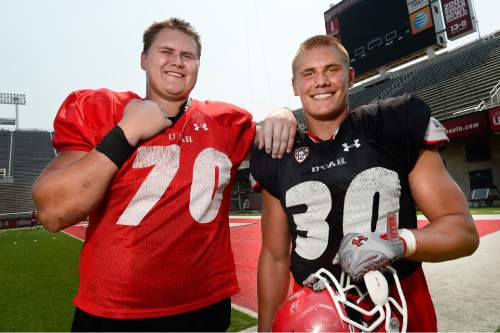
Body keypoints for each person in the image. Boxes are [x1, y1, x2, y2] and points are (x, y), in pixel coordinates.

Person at [32, 18, 297, 332]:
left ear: (198, 65)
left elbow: (275, 140)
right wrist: (125, 132)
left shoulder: (226, 121)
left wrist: (282, 112)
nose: (177, 62)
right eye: (166, 51)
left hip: (205, 310)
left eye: (188, 56)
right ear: (143, 59)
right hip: (114, 314)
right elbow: (52, 212)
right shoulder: (102, 109)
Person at [250, 35, 480, 332]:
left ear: (350, 76)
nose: (321, 81)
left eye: (331, 69)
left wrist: (400, 242)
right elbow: (274, 256)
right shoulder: (278, 152)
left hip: (396, 303)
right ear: (294, 85)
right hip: (313, 314)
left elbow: (462, 231)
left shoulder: (391, 123)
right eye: (309, 73)